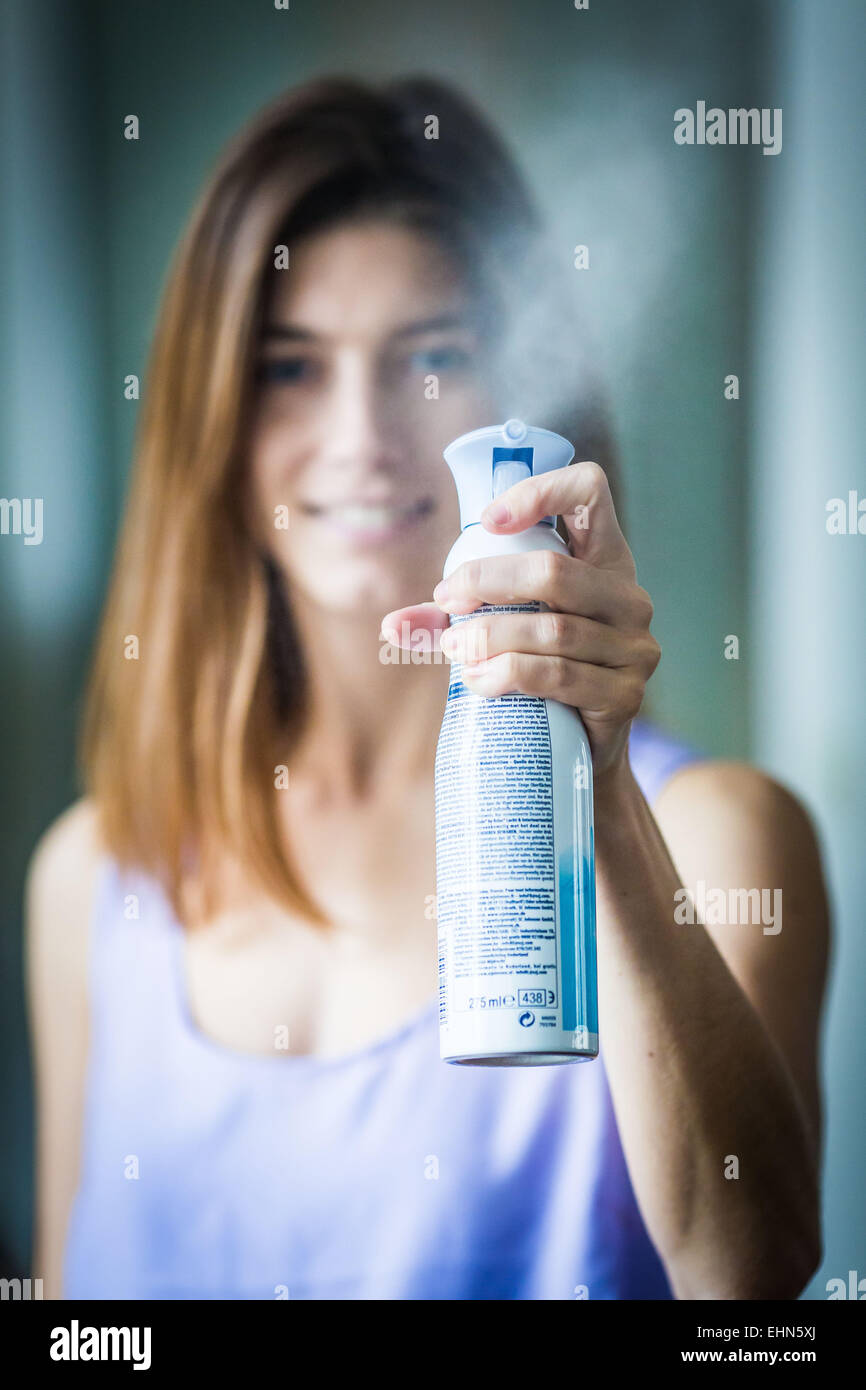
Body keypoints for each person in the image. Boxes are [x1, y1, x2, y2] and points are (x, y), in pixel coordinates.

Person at [25, 75, 829, 1301]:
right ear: (214, 424)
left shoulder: (718, 839)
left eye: (433, 354)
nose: (362, 434)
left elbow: (755, 1281)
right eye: (292, 368)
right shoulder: (95, 879)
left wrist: (591, 785)